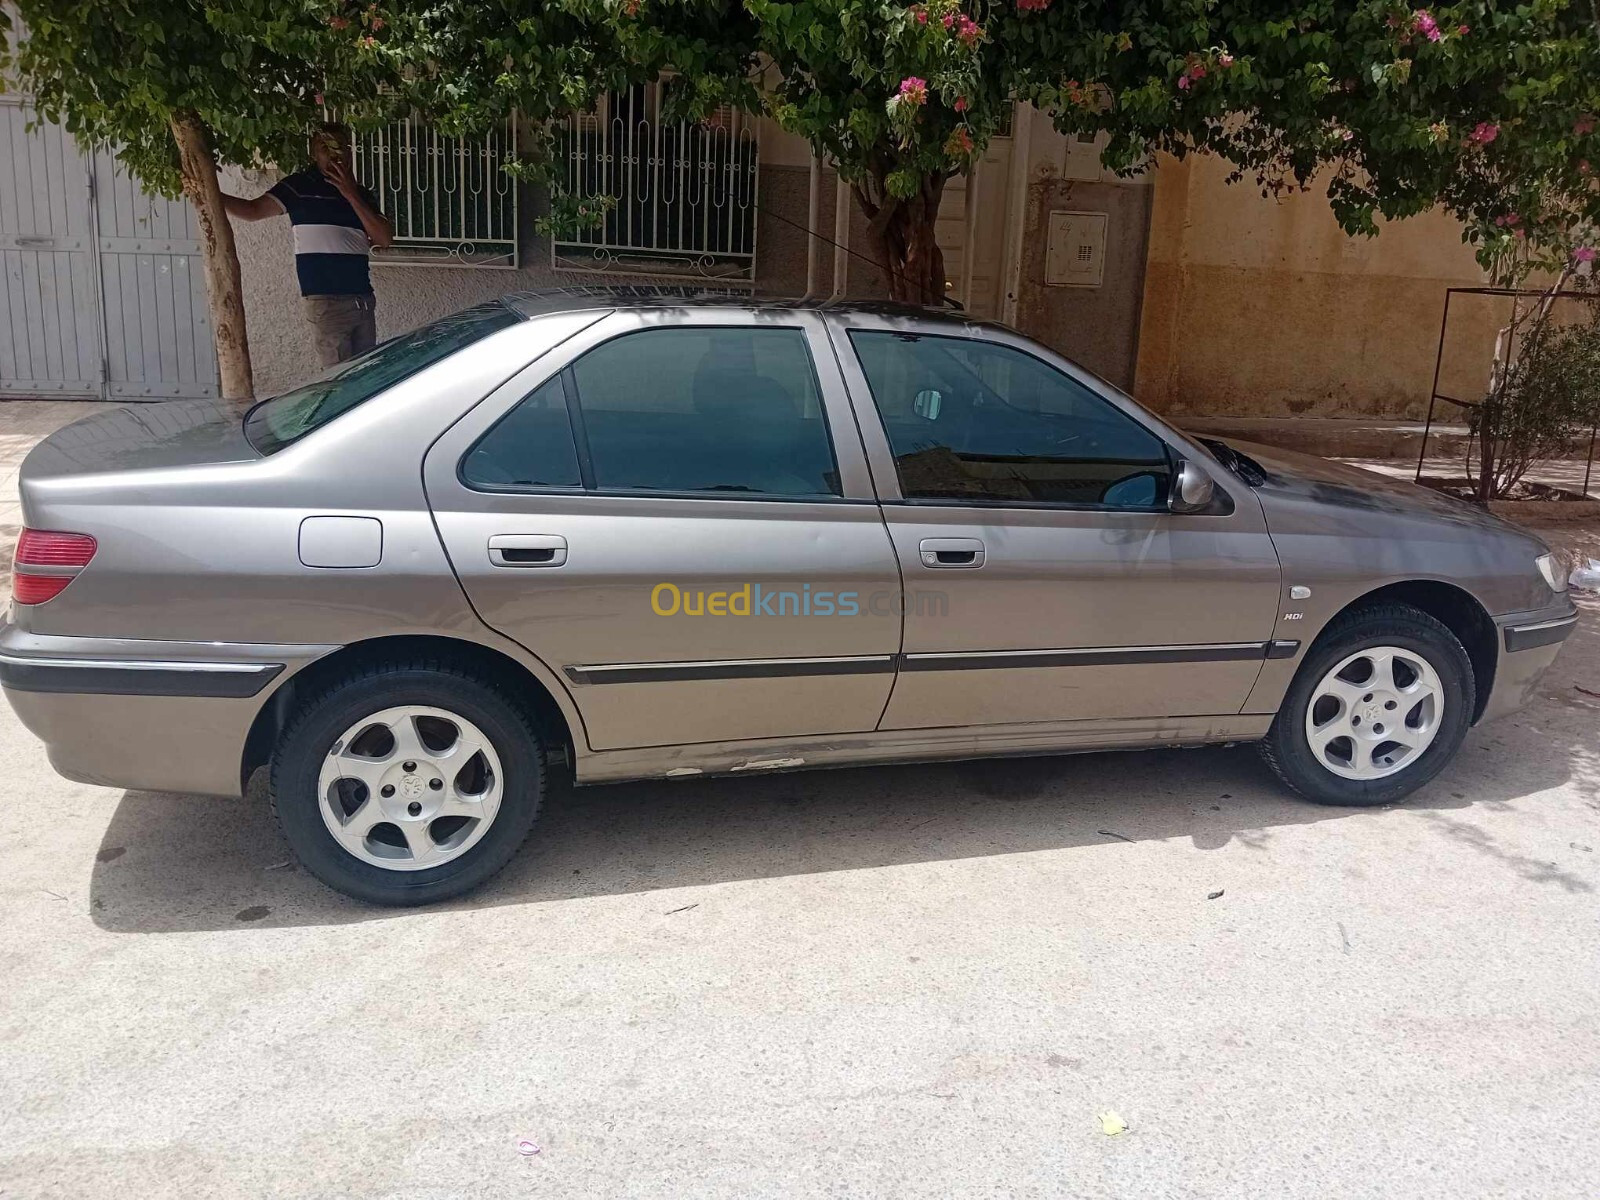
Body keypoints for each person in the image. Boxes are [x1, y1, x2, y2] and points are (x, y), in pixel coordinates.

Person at [223, 123, 394, 368]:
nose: (334, 154)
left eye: (340, 147)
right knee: (338, 382)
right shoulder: (299, 187)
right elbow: (253, 211)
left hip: (363, 300)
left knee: (363, 380)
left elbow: (384, 238)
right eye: (325, 147)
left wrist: (350, 193)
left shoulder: (362, 194)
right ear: (314, 153)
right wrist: (208, 195)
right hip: (327, 304)